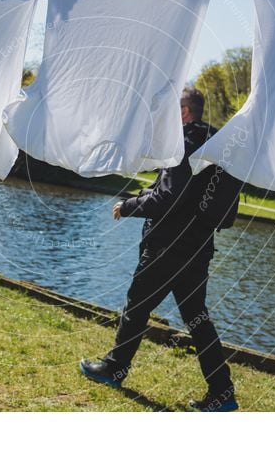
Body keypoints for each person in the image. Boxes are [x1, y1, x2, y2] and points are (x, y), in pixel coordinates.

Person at [80, 87, 237, 412]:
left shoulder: (182, 144)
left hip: (167, 247)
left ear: (183, 111)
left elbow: (169, 197)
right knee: (197, 318)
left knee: (136, 308)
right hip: (197, 249)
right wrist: (150, 188)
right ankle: (222, 393)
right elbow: (181, 189)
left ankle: (113, 368)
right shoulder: (216, 145)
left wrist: (130, 205)